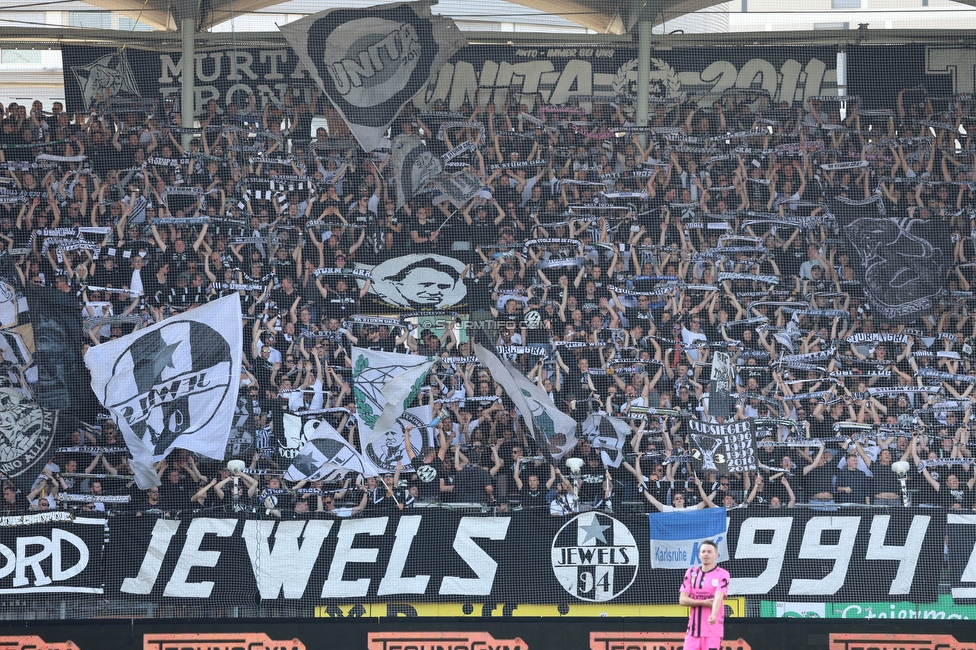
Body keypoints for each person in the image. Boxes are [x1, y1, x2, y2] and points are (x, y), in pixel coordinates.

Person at [678, 539, 729, 650]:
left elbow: (718, 597)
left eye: (709, 552)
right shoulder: (691, 573)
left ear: (716, 555)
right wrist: (703, 602)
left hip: (713, 632)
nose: (706, 554)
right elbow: (682, 600)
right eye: (703, 551)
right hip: (693, 631)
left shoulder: (723, 574)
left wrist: (714, 614)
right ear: (699, 555)